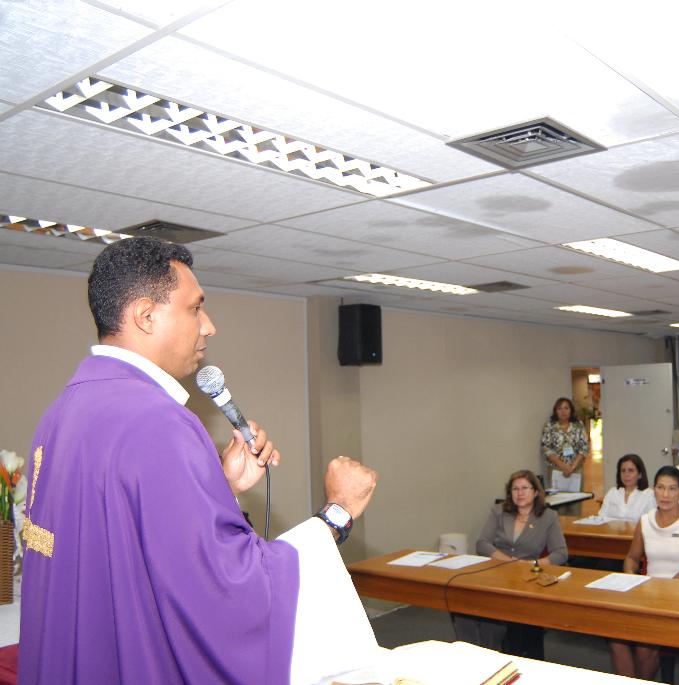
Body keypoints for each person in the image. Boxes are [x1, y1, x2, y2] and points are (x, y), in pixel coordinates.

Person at [19, 237, 380, 685]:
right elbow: (227, 589)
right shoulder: (157, 421)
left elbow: (124, 538)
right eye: (195, 308)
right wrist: (338, 512)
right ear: (146, 316)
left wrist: (218, 486)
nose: (209, 326)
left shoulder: (63, 412)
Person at [610, 466, 679, 679]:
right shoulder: (645, 520)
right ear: (653, 489)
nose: (665, 494)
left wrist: (661, 591)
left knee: (645, 645)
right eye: (661, 488)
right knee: (615, 634)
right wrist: (630, 578)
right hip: (648, 595)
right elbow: (632, 558)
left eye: (672, 489)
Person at [454, 470, 568, 654]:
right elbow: (482, 544)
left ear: (536, 492)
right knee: (465, 606)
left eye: (525, 488)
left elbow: (561, 553)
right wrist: (510, 562)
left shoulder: (548, 517)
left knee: (525, 631)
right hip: (498, 574)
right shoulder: (499, 512)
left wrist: (532, 565)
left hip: (530, 579)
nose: (520, 493)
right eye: (515, 489)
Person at [540, 397, 589, 493]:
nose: (563, 411)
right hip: (556, 469)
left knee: (575, 502)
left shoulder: (578, 424)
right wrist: (563, 466)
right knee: (559, 502)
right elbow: (546, 448)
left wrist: (572, 466)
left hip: (576, 469)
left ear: (571, 410)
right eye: (559, 408)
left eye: (566, 408)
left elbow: (584, 446)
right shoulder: (550, 425)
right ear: (555, 411)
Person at [598, 454, 655, 522]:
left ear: (640, 474)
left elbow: (651, 523)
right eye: (623, 471)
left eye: (630, 470)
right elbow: (600, 518)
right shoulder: (612, 492)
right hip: (612, 532)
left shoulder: (649, 495)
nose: (626, 474)